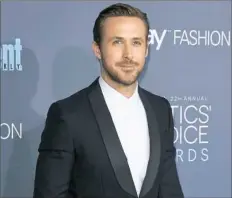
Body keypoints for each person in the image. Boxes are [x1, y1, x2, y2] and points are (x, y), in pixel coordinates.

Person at [33, 3, 184, 198]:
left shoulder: (160, 109)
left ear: (146, 49)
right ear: (97, 49)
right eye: (118, 42)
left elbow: (169, 189)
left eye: (136, 42)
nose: (128, 54)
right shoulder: (68, 115)